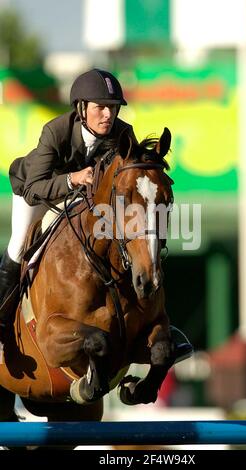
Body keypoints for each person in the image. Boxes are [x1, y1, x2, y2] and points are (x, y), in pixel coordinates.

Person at [0, 68, 192, 362]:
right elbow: (33, 188)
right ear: (81, 108)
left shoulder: (123, 133)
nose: (108, 114)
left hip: (86, 198)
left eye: (112, 108)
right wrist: (71, 179)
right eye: (100, 107)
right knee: (17, 247)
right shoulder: (56, 131)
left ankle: (148, 323)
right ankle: (2, 325)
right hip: (38, 191)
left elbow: (130, 181)